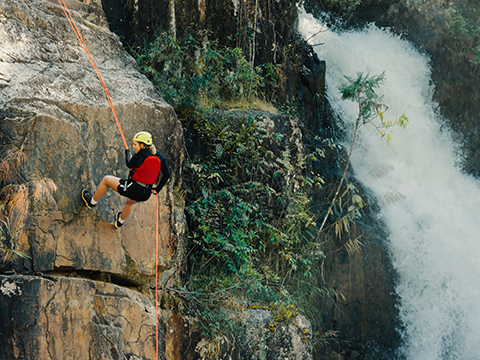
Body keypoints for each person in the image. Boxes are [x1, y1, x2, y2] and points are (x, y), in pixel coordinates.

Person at [81, 131, 170, 228]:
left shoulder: (138, 156)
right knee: (129, 202)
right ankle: (119, 222)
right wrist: (157, 189)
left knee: (106, 180)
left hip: (132, 188)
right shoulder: (160, 157)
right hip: (145, 193)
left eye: (135, 144)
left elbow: (129, 164)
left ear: (142, 145)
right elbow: (166, 175)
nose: (133, 146)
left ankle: (91, 202)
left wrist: (127, 153)